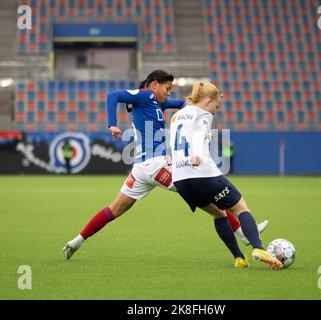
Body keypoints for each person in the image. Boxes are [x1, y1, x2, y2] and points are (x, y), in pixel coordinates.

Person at [63, 70, 267, 260]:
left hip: (141, 169)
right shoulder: (145, 95)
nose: (169, 93)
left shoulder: (157, 104)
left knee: (114, 209)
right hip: (158, 164)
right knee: (210, 198)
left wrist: (204, 99)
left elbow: (184, 105)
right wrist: (112, 123)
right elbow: (113, 96)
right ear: (154, 85)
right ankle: (245, 233)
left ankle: (78, 240)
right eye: (167, 88)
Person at [170, 81, 283, 270]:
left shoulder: (177, 116)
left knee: (219, 213)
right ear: (207, 100)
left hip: (181, 179)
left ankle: (239, 258)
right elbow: (198, 135)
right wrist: (197, 153)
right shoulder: (203, 114)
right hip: (202, 173)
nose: (216, 110)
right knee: (240, 208)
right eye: (216, 105)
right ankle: (258, 248)